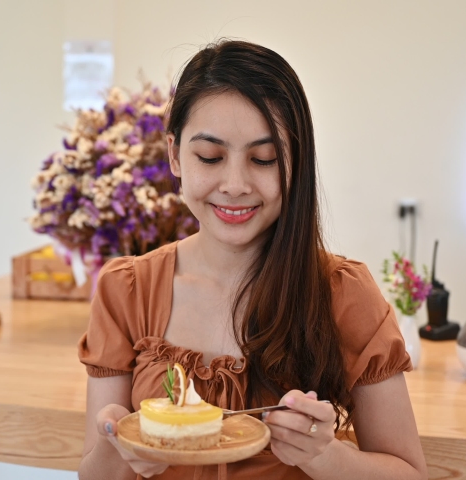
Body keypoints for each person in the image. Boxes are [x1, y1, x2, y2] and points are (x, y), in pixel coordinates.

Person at [78, 40, 427, 480]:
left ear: (295, 162)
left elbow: (409, 473)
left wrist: (324, 456)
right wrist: (118, 445)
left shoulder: (342, 293)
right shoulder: (126, 290)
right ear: (174, 155)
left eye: (264, 159)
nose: (236, 184)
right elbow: (96, 473)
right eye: (210, 157)